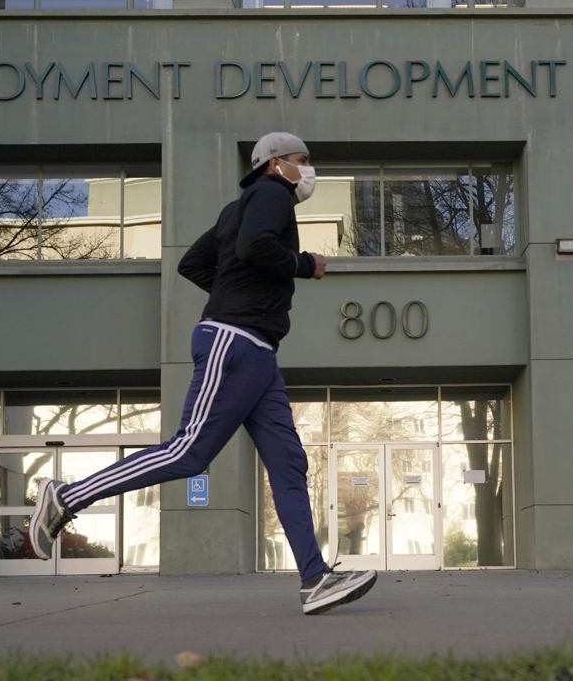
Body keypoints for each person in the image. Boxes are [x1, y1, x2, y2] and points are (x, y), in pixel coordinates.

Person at [28, 132, 377, 615]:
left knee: (289, 465)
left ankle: (315, 579)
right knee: (189, 452)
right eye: (302, 160)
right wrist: (304, 263)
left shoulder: (235, 210)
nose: (307, 169)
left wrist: (236, 288)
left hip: (258, 355)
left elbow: (193, 264)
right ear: (276, 164)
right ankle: (66, 496)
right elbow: (257, 249)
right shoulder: (272, 195)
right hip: (234, 343)